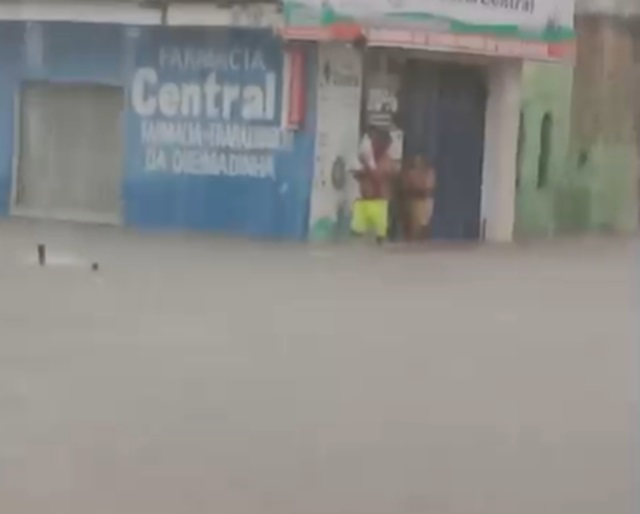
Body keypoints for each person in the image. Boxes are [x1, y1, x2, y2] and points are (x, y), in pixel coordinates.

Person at [350, 128, 397, 243]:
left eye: (376, 141)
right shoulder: (367, 158)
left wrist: (367, 165)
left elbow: (378, 178)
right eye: (373, 141)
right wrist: (358, 172)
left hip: (379, 203)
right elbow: (362, 175)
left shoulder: (387, 161)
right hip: (362, 202)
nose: (373, 144)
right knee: (355, 237)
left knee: (380, 238)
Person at [402, 154, 436, 241]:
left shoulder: (429, 172)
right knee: (415, 225)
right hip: (416, 201)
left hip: (426, 200)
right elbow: (409, 186)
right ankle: (413, 241)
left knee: (425, 225)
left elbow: (429, 186)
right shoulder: (411, 173)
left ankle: (423, 241)